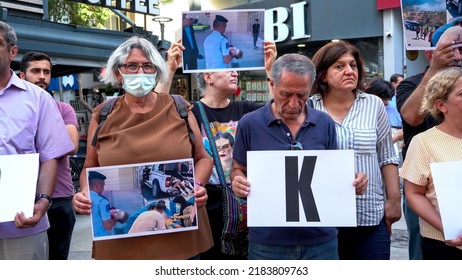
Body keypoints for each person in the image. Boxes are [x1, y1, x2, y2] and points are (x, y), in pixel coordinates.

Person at [72, 35, 213, 260]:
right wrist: (84, 193)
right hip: (122, 247)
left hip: (179, 240)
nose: (140, 72)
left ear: (157, 71)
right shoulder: (103, 114)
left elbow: (203, 158)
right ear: (119, 73)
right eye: (132, 65)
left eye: (147, 66)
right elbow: (90, 166)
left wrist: (197, 185)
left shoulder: (179, 108)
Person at [231, 53, 368, 260]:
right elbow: (238, 168)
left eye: (302, 95)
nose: (294, 103)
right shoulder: (250, 123)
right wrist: (237, 181)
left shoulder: (324, 123)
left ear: (311, 88)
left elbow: (332, 172)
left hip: (321, 241)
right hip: (268, 242)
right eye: (286, 94)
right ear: (272, 85)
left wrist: (354, 181)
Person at [310, 40, 401, 260]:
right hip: (323, 216)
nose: (350, 71)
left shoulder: (374, 104)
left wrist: (394, 200)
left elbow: (386, 155)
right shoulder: (309, 107)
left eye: (353, 65)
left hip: (370, 213)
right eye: (339, 66)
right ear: (323, 75)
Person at [192, 41, 277, 260]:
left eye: (237, 69)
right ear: (208, 76)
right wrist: (170, 69)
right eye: (228, 68)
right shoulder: (190, 112)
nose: (235, 72)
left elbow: (278, 108)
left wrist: (270, 69)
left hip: (244, 200)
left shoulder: (245, 109)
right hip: (206, 203)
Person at [0, 21, 74, 260]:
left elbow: (50, 156)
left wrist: (43, 201)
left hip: (22, 222)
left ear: (12, 51)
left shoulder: (38, 99)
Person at [396, 24, 462, 260]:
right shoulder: (411, 83)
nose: (456, 56)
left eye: (460, 50)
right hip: (425, 184)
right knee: (420, 250)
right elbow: (412, 116)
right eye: (450, 49)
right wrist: (435, 70)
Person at [19, 51, 79, 260]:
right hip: (19, 197)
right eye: (35, 71)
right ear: (22, 76)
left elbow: (71, 145)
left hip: (59, 196)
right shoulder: (13, 109)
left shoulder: (63, 108)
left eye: (46, 71)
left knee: (57, 259)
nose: (42, 76)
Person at [89, 171, 126, 237]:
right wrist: (115, 219)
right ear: (97, 186)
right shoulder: (101, 201)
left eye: (118, 214)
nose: (103, 189)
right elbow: (108, 226)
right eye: (103, 186)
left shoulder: (84, 197)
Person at [389, 73, 404, 156]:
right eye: (400, 82)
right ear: (393, 84)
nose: (403, 84)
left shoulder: (403, 96)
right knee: (394, 154)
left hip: (402, 129)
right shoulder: (387, 97)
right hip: (391, 129)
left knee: (402, 154)